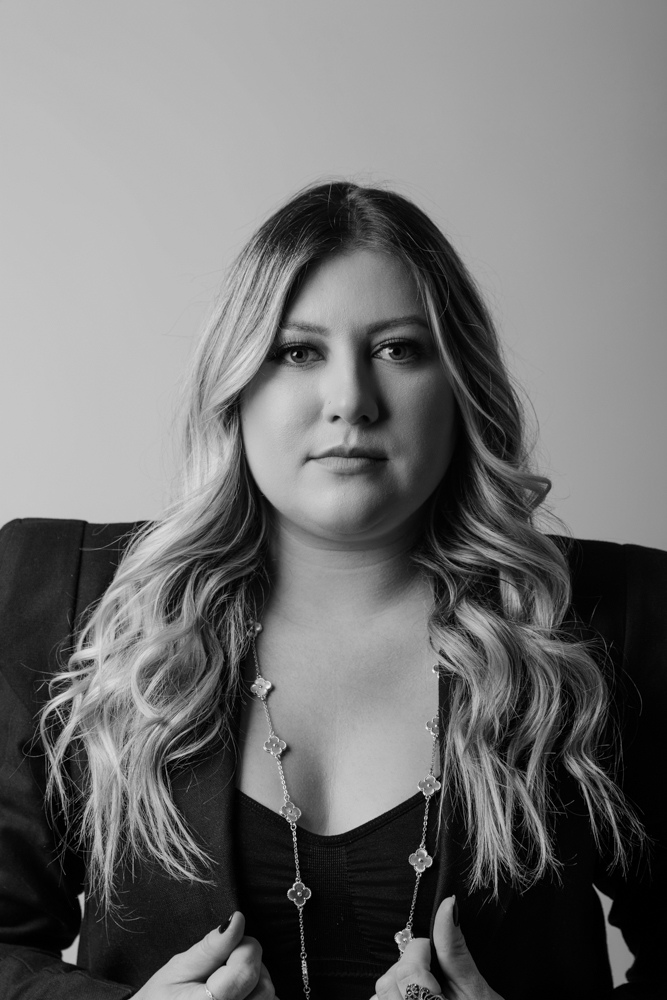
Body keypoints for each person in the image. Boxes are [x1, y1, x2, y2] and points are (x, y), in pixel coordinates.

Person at [0, 181, 664, 1000]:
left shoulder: (611, 616)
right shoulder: (61, 596)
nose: (350, 400)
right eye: (297, 351)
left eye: (398, 350)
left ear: (460, 384)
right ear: (236, 381)